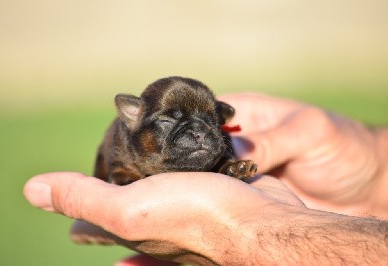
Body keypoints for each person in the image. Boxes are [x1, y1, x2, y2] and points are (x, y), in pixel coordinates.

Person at [24, 93, 388, 265]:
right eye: (171, 121)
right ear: (133, 117)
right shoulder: (122, 142)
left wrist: (256, 236)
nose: (198, 135)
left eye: (209, 123)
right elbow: (114, 170)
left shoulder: (224, 140)